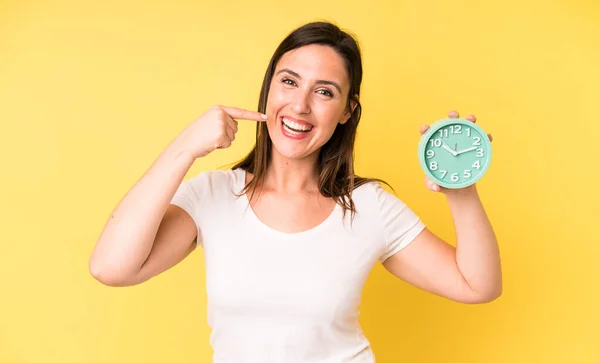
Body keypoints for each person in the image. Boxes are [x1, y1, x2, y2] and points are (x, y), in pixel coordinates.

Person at [89, 21, 502, 363]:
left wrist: (460, 189)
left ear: (347, 112)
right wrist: (185, 148)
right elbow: (111, 268)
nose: (300, 106)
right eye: (289, 82)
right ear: (270, 88)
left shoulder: (368, 207)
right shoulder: (212, 196)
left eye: (324, 92)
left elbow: (477, 285)